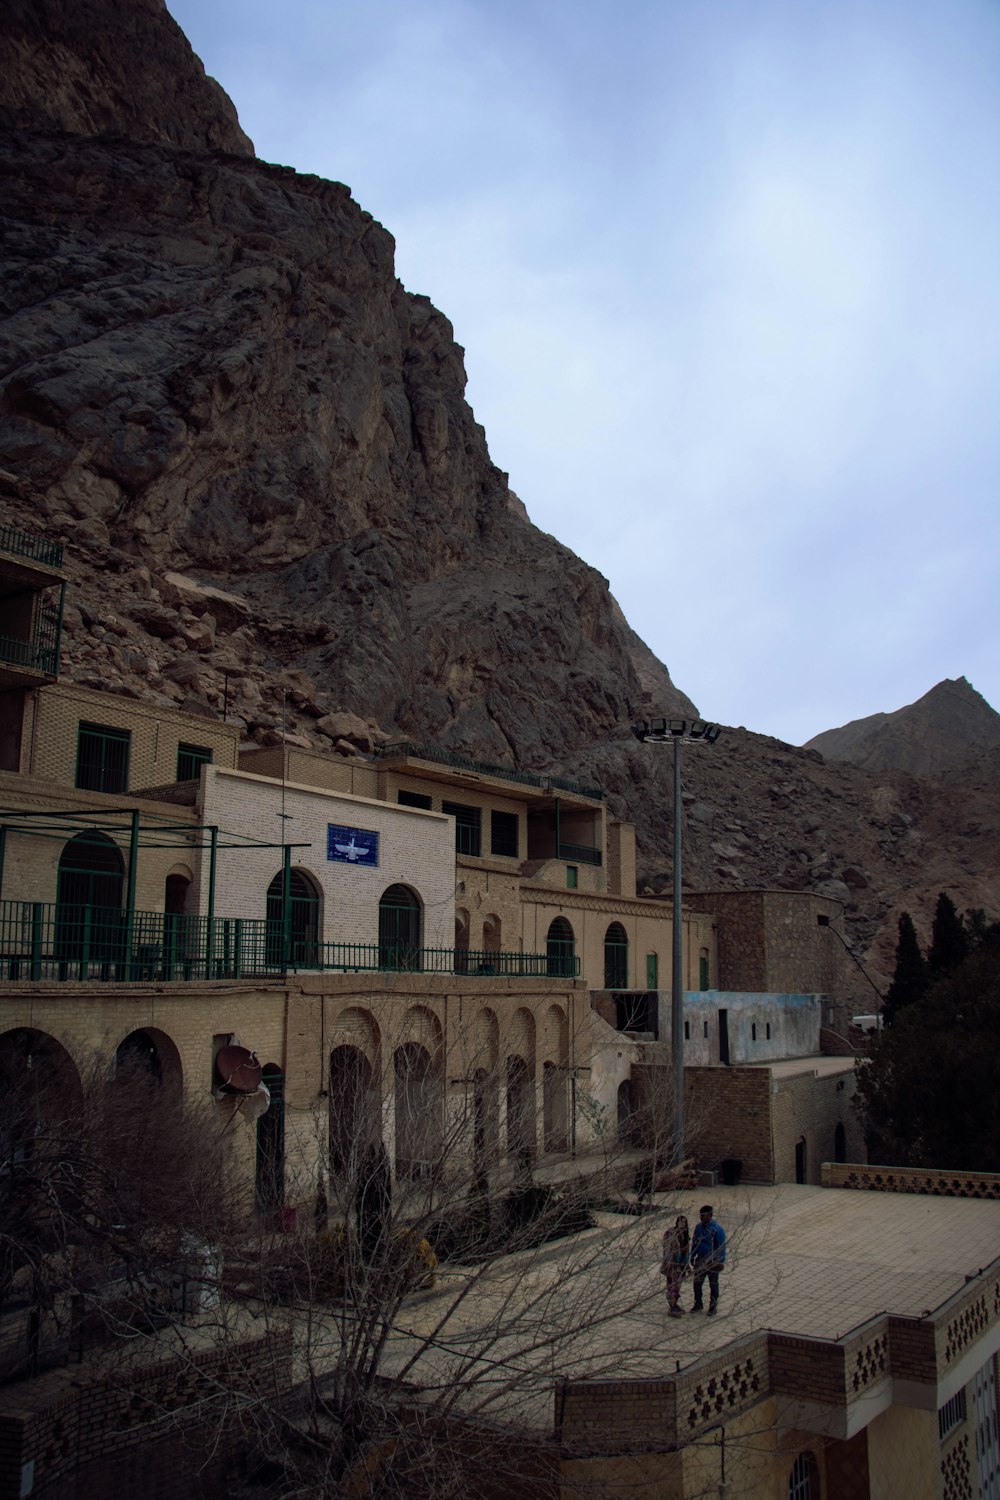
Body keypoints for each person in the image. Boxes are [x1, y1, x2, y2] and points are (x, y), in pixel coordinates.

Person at [690, 1203, 726, 1314]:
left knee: (713, 1284)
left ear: (710, 1215)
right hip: (700, 1260)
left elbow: (721, 1246)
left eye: (704, 1216)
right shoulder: (698, 1228)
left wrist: (721, 1261)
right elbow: (695, 1243)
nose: (701, 1218)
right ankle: (698, 1304)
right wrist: (692, 1255)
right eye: (700, 1216)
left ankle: (713, 1306)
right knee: (697, 1283)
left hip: (712, 1261)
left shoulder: (717, 1229)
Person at [660, 1214, 690, 1316]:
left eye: (685, 1222)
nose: (683, 1224)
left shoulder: (685, 1235)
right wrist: (669, 1261)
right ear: (677, 1222)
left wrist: (687, 1266)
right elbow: (667, 1248)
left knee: (677, 1286)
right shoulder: (670, 1234)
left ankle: (674, 1305)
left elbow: (687, 1252)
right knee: (672, 1285)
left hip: (681, 1265)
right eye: (681, 1222)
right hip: (672, 1265)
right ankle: (672, 1307)